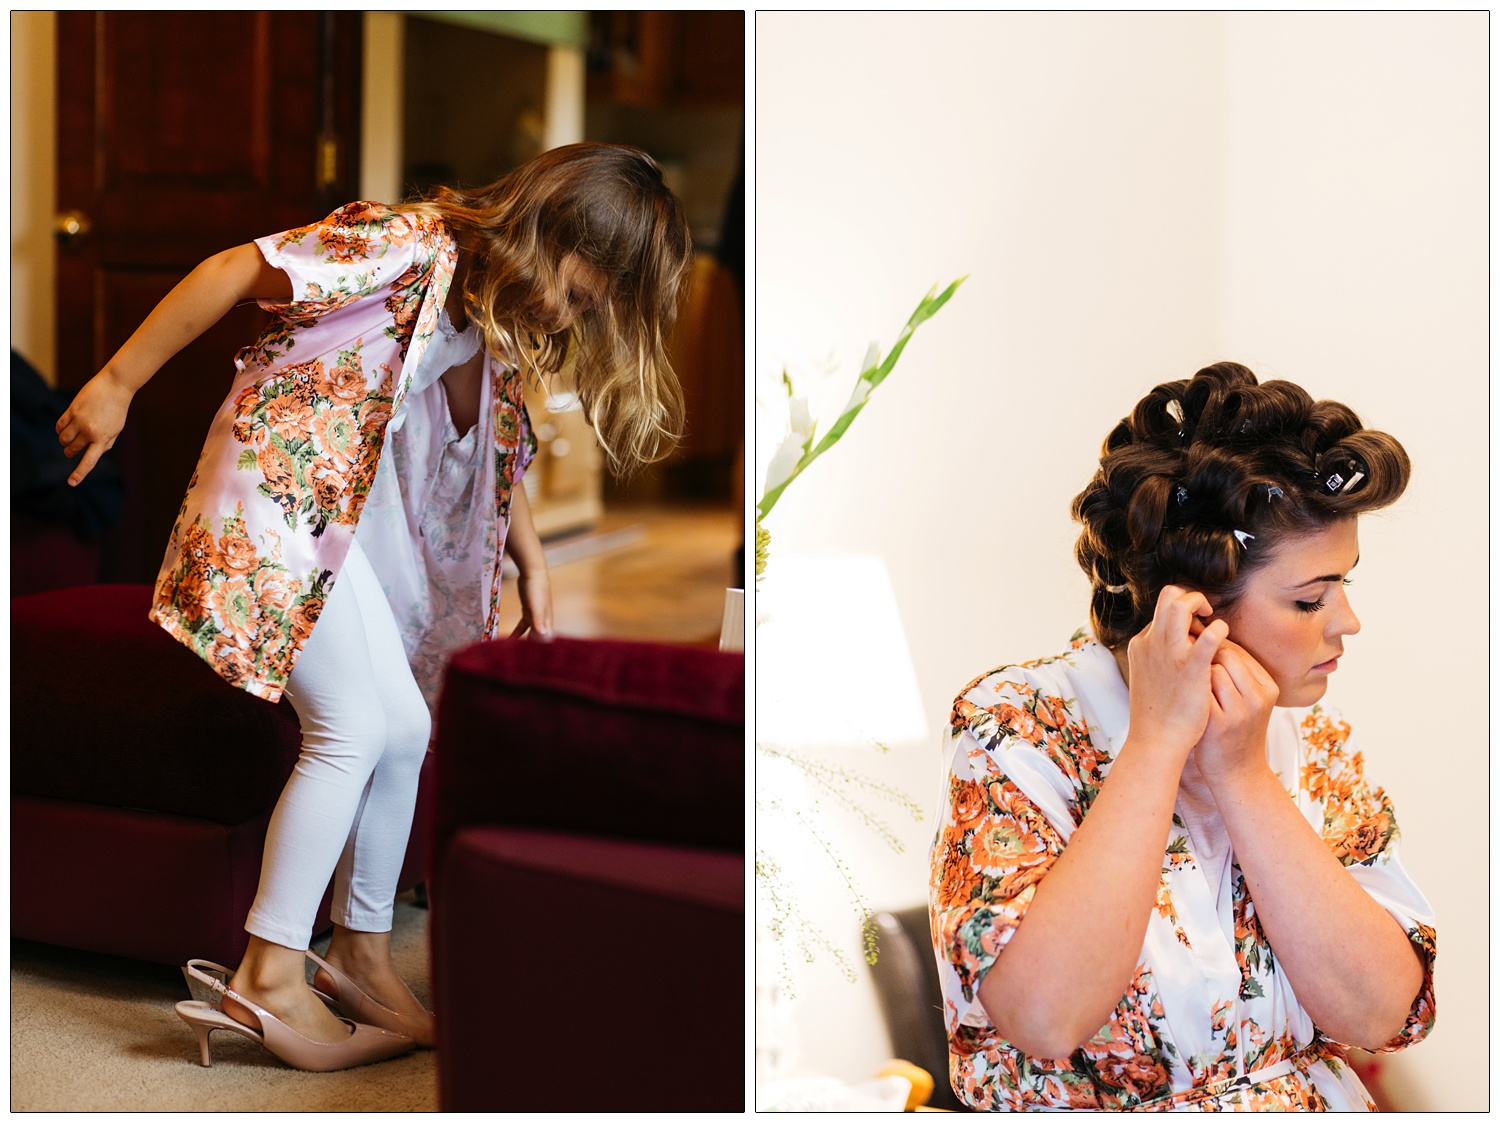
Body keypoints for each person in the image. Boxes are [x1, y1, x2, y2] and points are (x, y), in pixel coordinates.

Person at [56, 143, 692, 1071]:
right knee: (352, 724)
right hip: (274, 498)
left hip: (329, 523)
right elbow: (234, 269)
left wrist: (535, 563)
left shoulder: (484, 313)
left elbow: (498, 453)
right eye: (582, 293)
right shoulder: (406, 242)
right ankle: (267, 970)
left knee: (402, 726)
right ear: (557, 230)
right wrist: (117, 382)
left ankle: (359, 952)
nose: (572, 314)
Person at [929, 362, 1435, 1110]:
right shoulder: (1017, 725)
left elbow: (1378, 1011)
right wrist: (1158, 745)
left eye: (1344, 584)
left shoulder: (1311, 743)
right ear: (1194, 608)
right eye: (1308, 598)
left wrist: (1243, 776)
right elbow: (1046, 1017)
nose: (1345, 622)